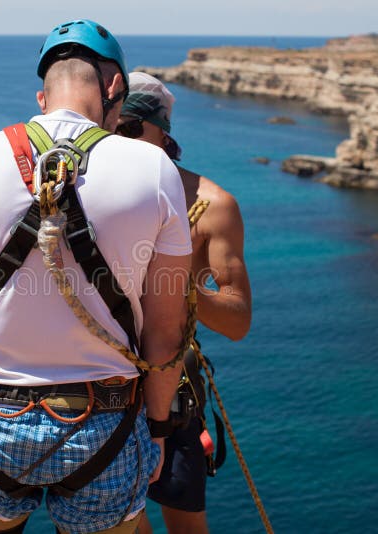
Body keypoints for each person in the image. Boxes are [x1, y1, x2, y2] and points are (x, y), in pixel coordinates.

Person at [0, 21, 193, 534]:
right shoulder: (154, 169)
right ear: (114, 87)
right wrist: (159, 428)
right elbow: (167, 329)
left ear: (42, 95)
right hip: (107, 426)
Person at [117, 73, 252, 534]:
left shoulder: (211, 206)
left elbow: (237, 321)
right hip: (105, 388)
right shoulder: (86, 194)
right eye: (111, 125)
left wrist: (179, 283)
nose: (120, 138)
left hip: (175, 393)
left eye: (132, 127)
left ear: (162, 130)